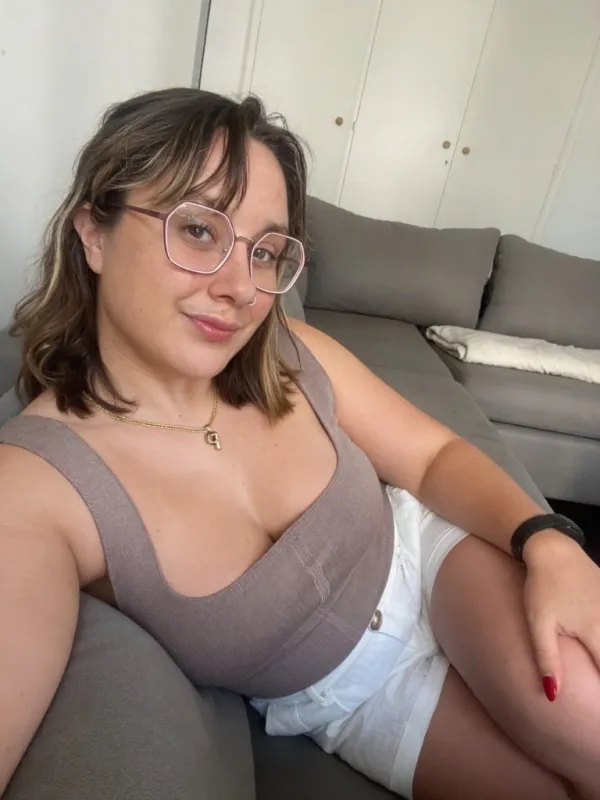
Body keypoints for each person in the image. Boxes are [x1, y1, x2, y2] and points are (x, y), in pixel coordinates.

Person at [1, 88, 599, 800]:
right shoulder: (37, 485)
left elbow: (431, 458)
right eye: (199, 229)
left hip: (428, 563)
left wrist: (548, 539)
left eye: (264, 251)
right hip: (352, 698)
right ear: (94, 234)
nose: (241, 288)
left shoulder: (290, 352)